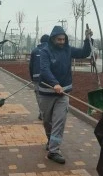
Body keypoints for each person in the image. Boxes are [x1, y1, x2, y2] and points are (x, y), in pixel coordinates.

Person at [38, 25, 92, 164]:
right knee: (47, 121)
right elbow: (44, 69)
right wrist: (55, 83)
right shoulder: (45, 51)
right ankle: (51, 141)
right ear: (53, 39)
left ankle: (54, 150)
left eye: (63, 39)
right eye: (59, 39)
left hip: (63, 93)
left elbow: (84, 53)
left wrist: (88, 39)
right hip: (47, 92)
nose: (62, 42)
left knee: (59, 121)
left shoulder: (68, 49)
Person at [29, 34, 49, 120]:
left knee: (39, 96)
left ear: (41, 41)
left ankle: (42, 113)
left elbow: (30, 66)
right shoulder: (51, 50)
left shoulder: (34, 51)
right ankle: (47, 114)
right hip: (48, 78)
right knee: (48, 96)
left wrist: (32, 78)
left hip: (36, 78)